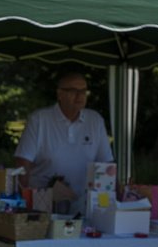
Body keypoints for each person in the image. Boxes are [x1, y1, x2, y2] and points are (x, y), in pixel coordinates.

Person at [15, 72, 114, 212]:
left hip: (83, 208)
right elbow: (23, 163)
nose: (79, 96)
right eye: (73, 91)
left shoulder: (95, 120)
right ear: (59, 94)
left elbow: (106, 165)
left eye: (83, 91)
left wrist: (110, 202)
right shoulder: (39, 119)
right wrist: (22, 202)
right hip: (43, 207)